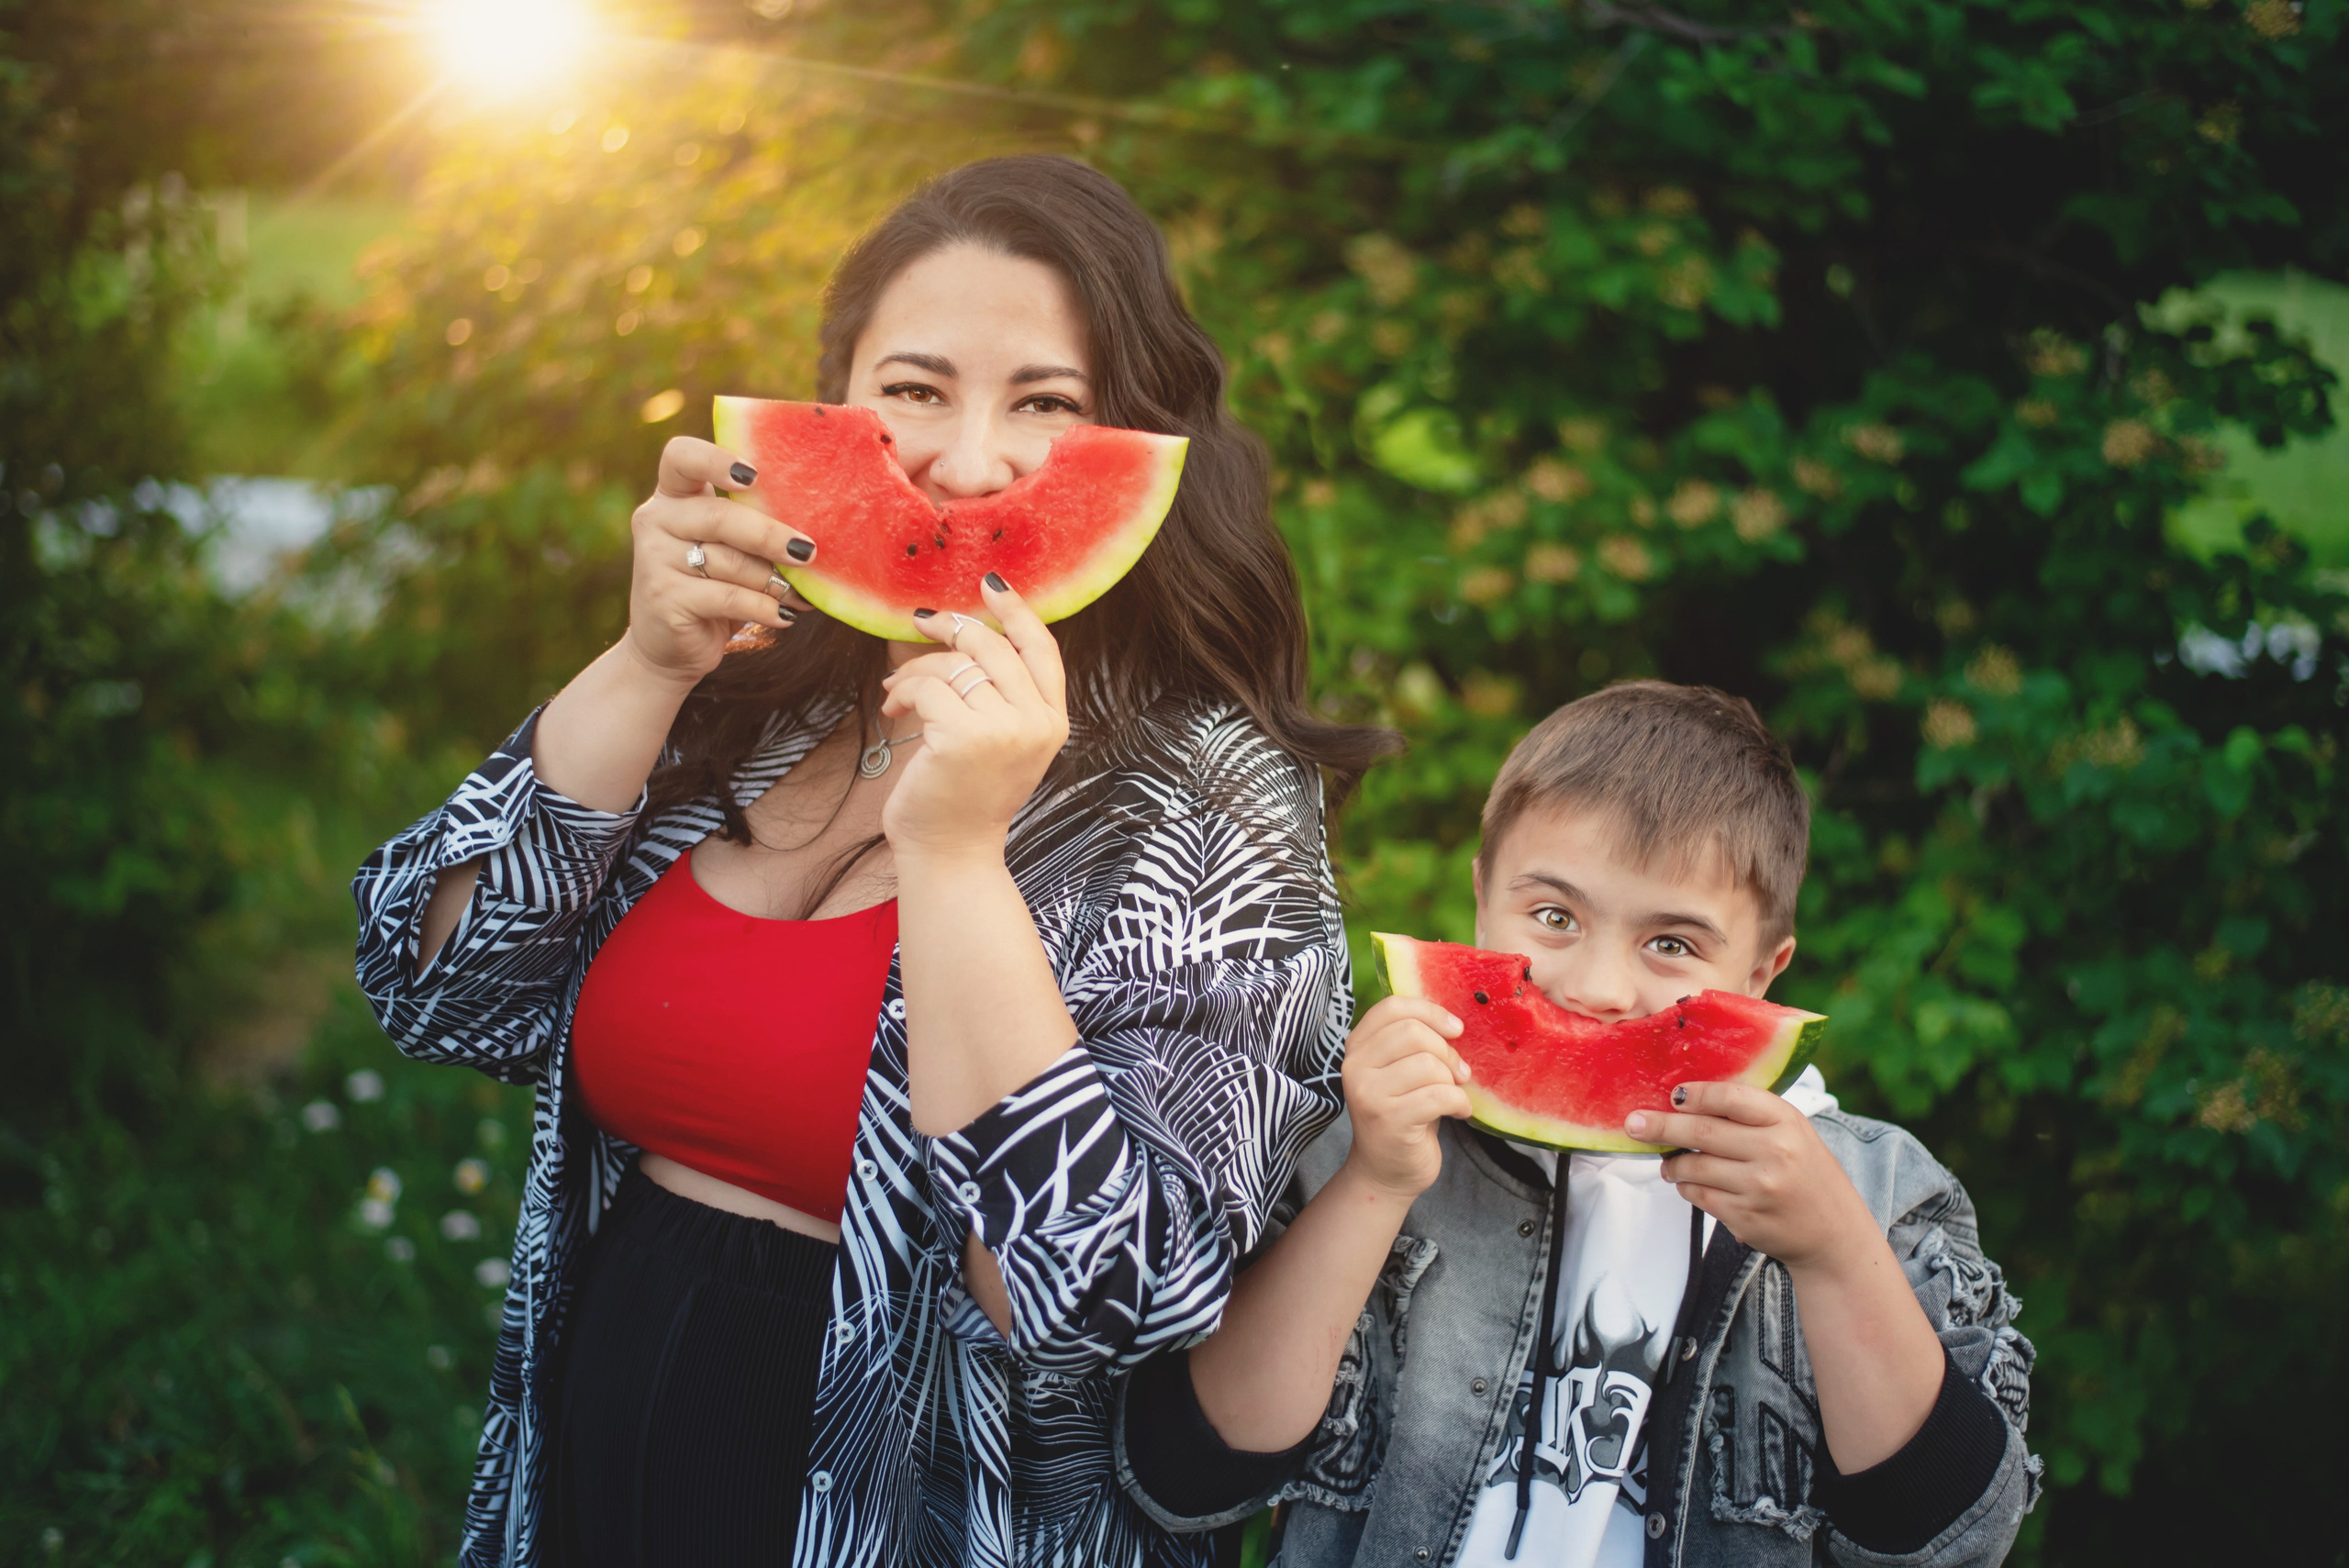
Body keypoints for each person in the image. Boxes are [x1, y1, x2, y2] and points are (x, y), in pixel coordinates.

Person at [352, 154, 1393, 1568]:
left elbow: (1096, 1300)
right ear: (834, 404)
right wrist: (645, 663)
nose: (969, 463)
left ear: (1136, 437)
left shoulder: (1209, 797)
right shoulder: (752, 697)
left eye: (1047, 403)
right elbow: (441, 990)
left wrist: (961, 857)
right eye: (915, 390)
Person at [1115, 682, 2039, 1568]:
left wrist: (1835, 1253)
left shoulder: (1876, 1191)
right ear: (1481, 896)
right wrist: (1373, 1183)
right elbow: (1188, 1476)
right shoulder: (1368, 1135)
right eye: (1553, 915)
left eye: (1670, 943)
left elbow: (1953, 1538)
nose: (1597, 985)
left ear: (1765, 970)